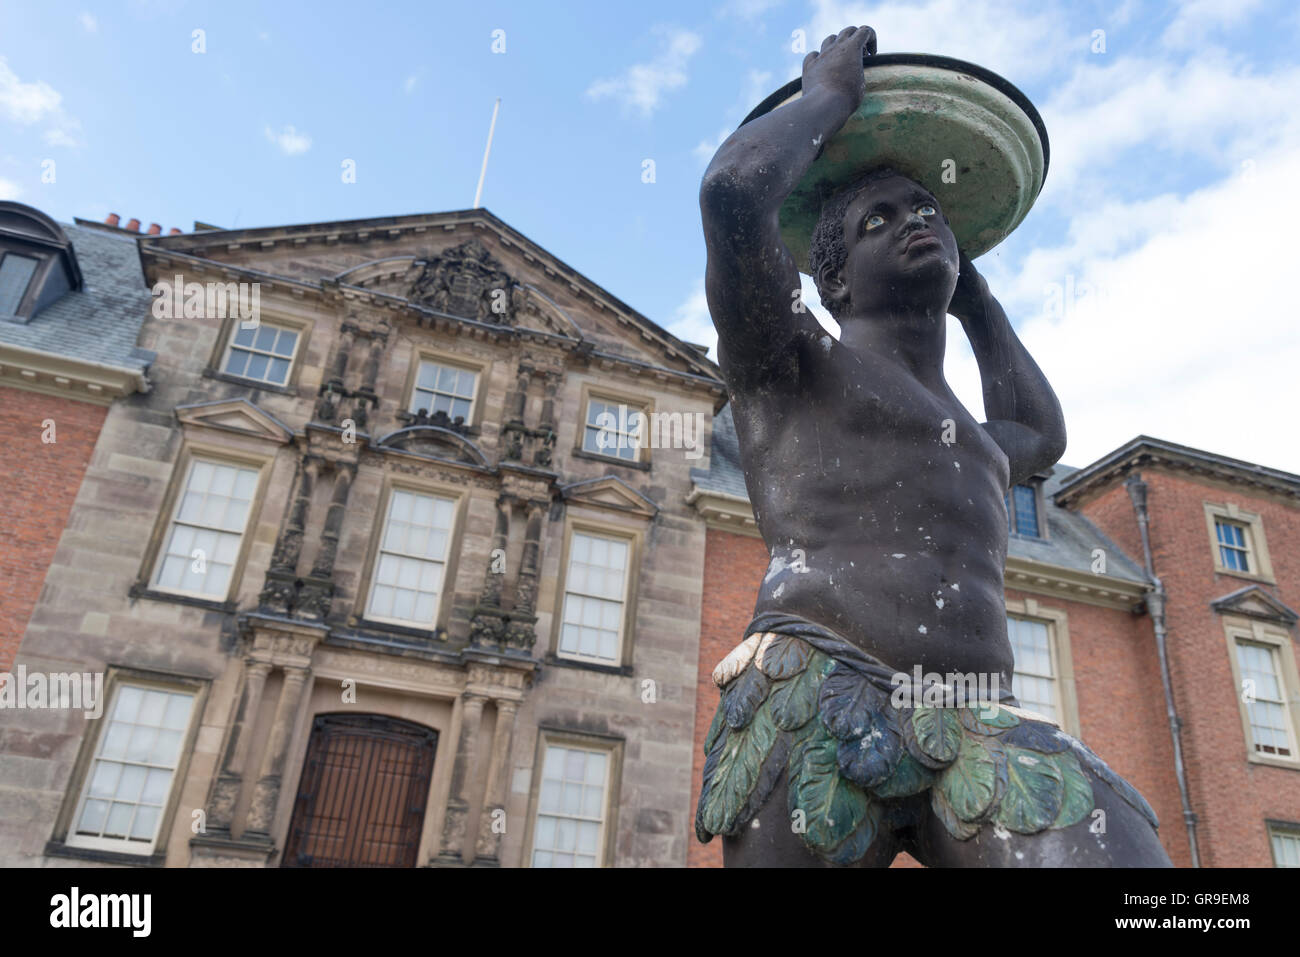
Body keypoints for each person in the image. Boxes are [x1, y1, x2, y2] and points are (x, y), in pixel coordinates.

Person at [695, 25, 1171, 867]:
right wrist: (827, 101)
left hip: (969, 721)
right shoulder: (794, 361)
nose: (916, 221)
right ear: (833, 276)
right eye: (883, 219)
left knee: (1130, 862)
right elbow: (733, 193)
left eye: (930, 214)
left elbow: (1041, 431)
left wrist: (972, 287)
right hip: (816, 695)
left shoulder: (978, 438)